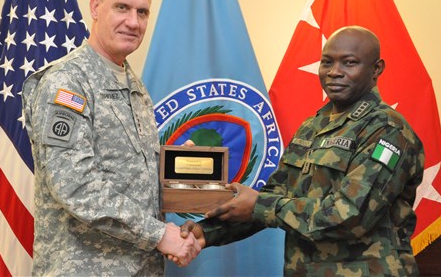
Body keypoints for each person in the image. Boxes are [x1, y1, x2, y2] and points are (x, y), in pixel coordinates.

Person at [179, 26, 424, 276]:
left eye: (349, 63)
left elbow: (350, 215)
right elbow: (277, 194)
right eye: (327, 62)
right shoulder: (312, 126)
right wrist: (205, 233)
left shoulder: (388, 130)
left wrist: (260, 205)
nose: (335, 72)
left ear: (376, 69)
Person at [22, 0, 200, 276]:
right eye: (122, 7)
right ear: (95, 7)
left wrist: (174, 165)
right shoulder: (67, 83)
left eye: (142, 12)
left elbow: (125, 168)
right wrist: (159, 235)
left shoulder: (133, 85)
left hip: (140, 268)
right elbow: (74, 185)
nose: (133, 22)